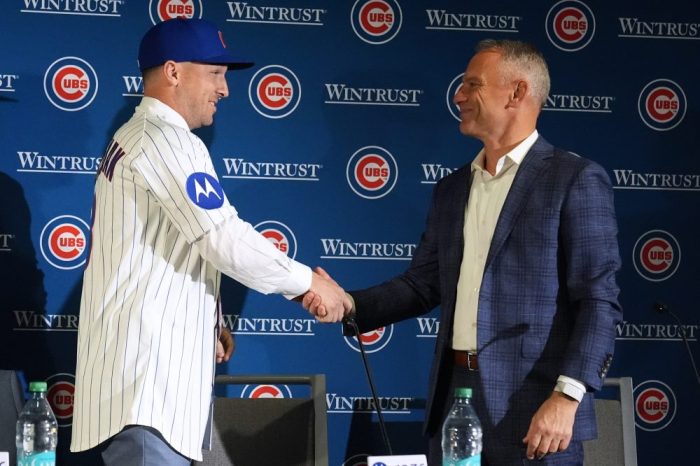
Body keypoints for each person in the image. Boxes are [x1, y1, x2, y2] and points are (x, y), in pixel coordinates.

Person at [306, 39, 622, 465]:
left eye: (473, 84)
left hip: (536, 410)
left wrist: (567, 397)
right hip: (455, 399)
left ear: (517, 92)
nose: (458, 95)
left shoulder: (574, 179)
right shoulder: (452, 188)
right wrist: (348, 303)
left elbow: (598, 300)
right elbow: (422, 284)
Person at [70, 18, 348, 465]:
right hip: (148, 391)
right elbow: (220, 236)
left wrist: (208, 319)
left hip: (146, 391)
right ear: (173, 72)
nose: (225, 89)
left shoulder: (141, 136)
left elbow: (170, 244)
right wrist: (307, 284)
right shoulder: (164, 138)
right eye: (215, 73)